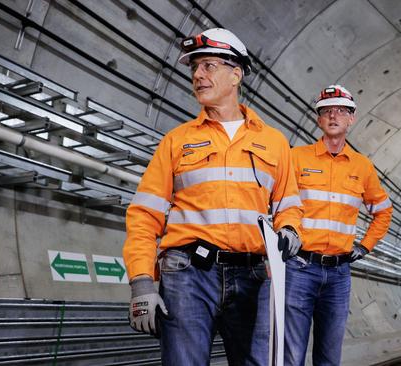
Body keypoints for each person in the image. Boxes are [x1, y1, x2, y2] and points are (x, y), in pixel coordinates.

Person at [122, 28, 303, 366]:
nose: (197, 75)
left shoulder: (275, 142)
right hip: (187, 274)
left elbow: (287, 202)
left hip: (252, 275)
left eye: (208, 66)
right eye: (194, 68)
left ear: (236, 74)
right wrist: (142, 283)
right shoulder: (176, 141)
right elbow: (144, 215)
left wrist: (290, 230)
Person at [285, 85, 394, 365]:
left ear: (351, 119)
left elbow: (383, 211)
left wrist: (365, 246)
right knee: (290, 354)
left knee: (329, 356)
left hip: (338, 274)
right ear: (318, 119)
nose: (333, 115)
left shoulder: (363, 167)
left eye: (341, 110)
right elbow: (280, 203)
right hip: (299, 269)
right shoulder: (296, 158)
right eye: (326, 111)